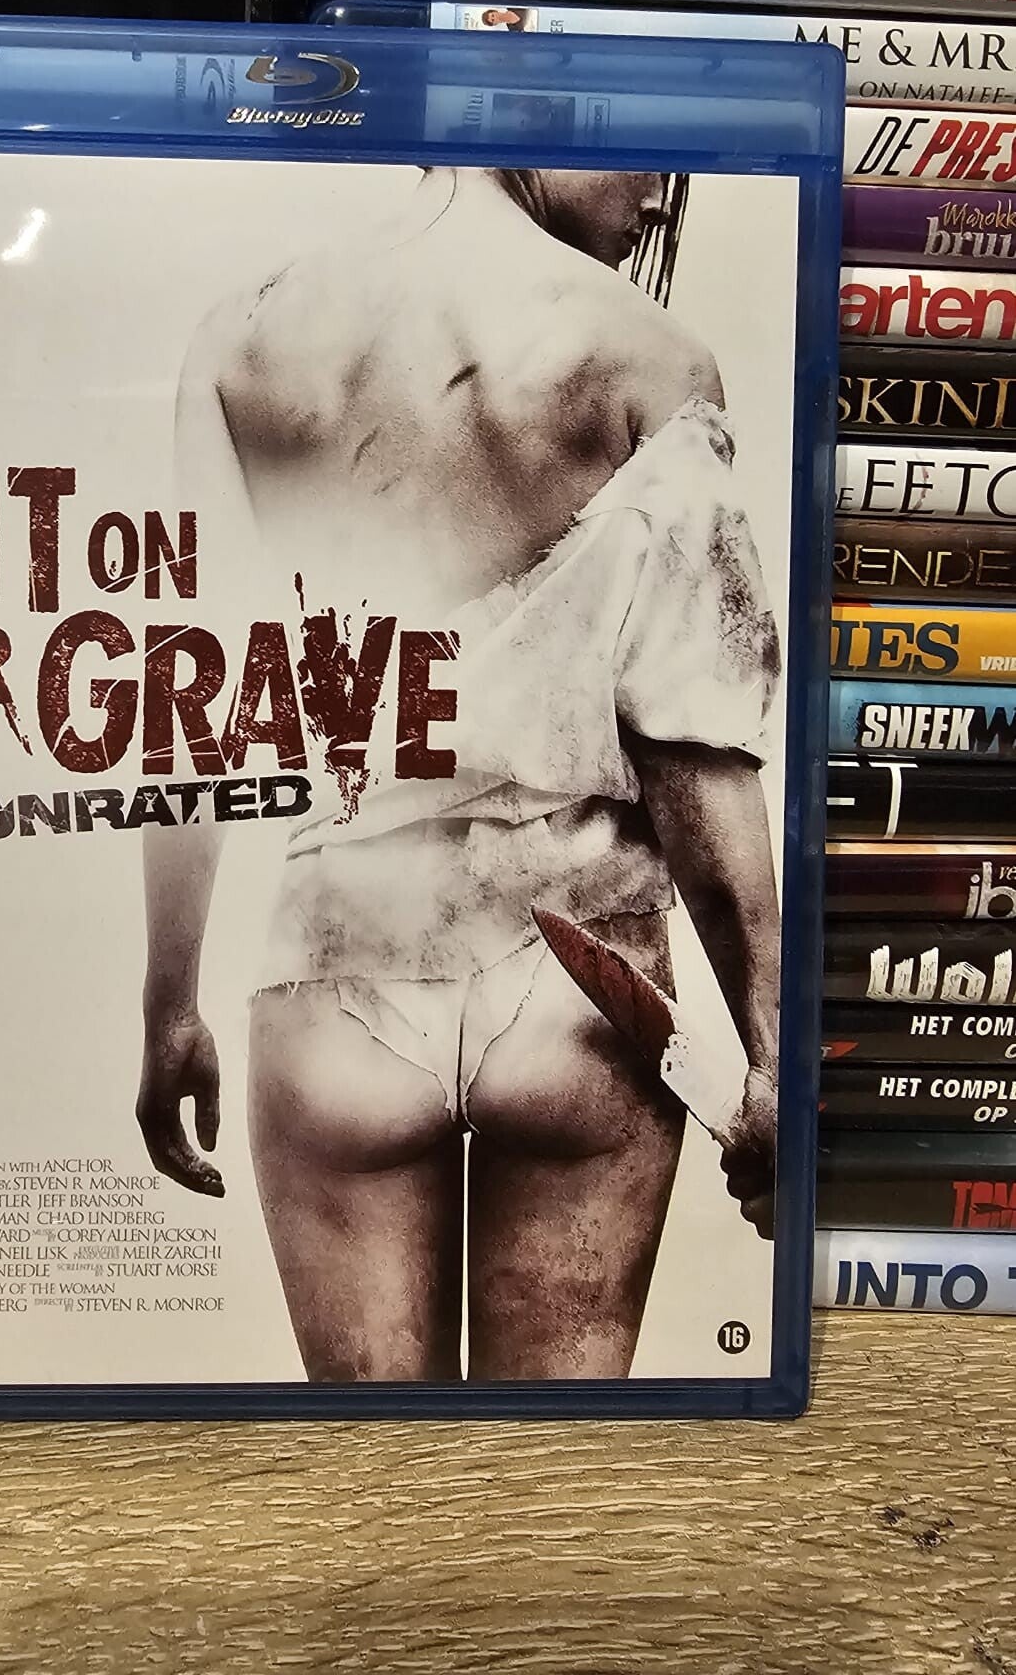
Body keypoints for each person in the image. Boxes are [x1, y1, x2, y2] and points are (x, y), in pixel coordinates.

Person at [138, 165, 782, 1384]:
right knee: (553, 1476)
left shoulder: (242, 341)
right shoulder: (651, 358)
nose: (663, 197)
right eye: (647, 154)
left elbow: (195, 710)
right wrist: (769, 1047)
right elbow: (692, 744)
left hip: (337, 971)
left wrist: (169, 1004)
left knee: (379, 1478)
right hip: (583, 991)